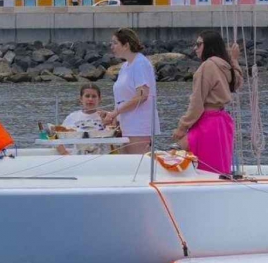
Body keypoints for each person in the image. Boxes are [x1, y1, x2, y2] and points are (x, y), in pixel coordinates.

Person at [173, 30, 241, 175]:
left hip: (207, 123)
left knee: (181, 153)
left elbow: (197, 102)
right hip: (221, 123)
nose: (195, 48)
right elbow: (237, 83)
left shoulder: (207, 66)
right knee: (216, 167)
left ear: (208, 45)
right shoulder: (225, 66)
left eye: (199, 44)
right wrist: (234, 60)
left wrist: (182, 127)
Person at [101, 28, 157, 155]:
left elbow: (142, 96)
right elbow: (124, 98)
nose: (112, 46)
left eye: (115, 43)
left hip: (138, 126)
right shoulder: (125, 66)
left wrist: (115, 112)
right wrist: (112, 114)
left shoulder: (140, 63)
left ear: (126, 45)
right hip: (125, 125)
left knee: (138, 165)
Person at [56, 84, 110, 155]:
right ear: (81, 99)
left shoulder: (108, 116)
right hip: (79, 158)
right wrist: (64, 153)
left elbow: (117, 138)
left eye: (94, 96)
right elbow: (56, 136)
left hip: (103, 158)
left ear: (99, 99)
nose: (90, 99)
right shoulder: (73, 117)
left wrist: (107, 123)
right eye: (87, 96)